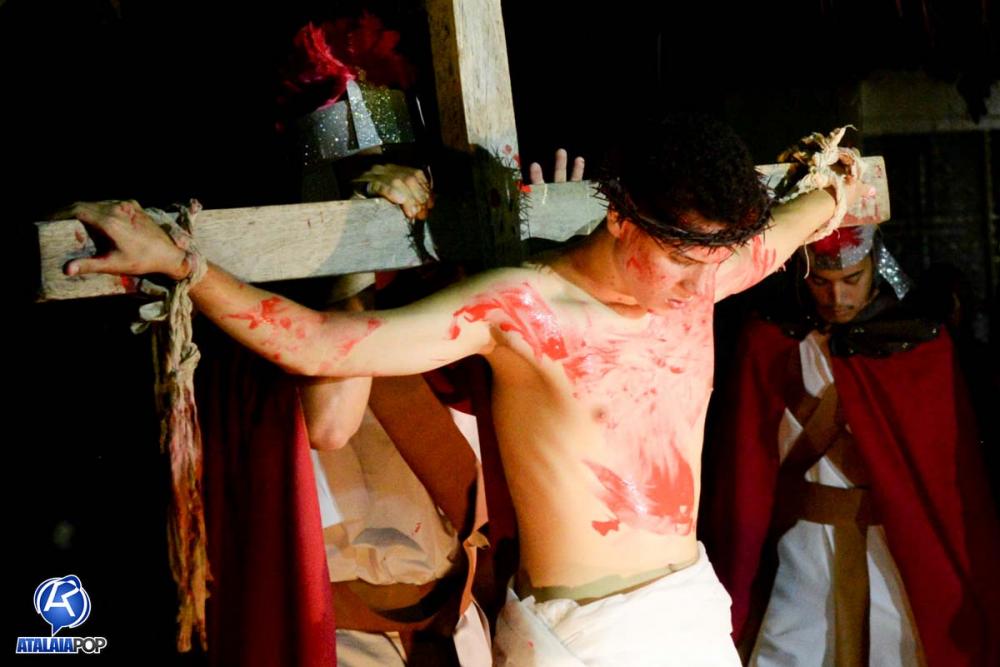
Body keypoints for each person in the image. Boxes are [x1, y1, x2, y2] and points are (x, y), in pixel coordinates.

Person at [63, 115, 863, 664]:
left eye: (712, 266)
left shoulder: (708, 272)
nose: (698, 289)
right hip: (584, 639)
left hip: (689, 611)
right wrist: (184, 265)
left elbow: (807, 212)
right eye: (681, 263)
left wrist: (836, 186)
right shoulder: (523, 310)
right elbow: (320, 341)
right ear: (622, 217)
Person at [703, 225, 1000, 666]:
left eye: (851, 279)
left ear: (874, 268)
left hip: (893, 541)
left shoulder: (915, 345)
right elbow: (745, 462)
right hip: (799, 547)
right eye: (821, 282)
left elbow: (944, 475)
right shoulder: (769, 339)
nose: (836, 297)